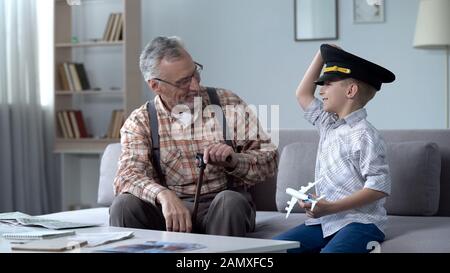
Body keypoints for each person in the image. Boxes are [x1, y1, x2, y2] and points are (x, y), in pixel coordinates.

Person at [109, 36, 278, 236]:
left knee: (230, 202)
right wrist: (163, 195)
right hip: (166, 211)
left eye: (195, 74)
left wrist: (234, 160)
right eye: (183, 82)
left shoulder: (227, 103)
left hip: (220, 207)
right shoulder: (140, 121)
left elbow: (270, 160)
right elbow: (126, 177)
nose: (195, 86)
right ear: (155, 85)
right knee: (123, 205)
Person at [273, 44, 395, 253]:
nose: (321, 90)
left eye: (327, 84)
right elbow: (302, 93)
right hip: (326, 222)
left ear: (350, 90)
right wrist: (322, 53)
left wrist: (330, 207)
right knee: (273, 249)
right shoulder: (328, 124)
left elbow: (378, 187)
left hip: (361, 223)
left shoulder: (366, 135)